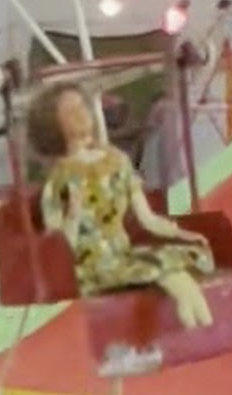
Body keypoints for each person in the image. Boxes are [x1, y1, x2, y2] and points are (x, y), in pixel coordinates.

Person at [30, 83, 215, 331]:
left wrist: (181, 233)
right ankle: (198, 330)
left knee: (182, 274)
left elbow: (148, 219)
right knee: (175, 279)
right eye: (70, 110)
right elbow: (59, 249)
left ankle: (204, 330)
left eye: (82, 105)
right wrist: (72, 217)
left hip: (123, 256)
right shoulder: (59, 180)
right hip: (90, 268)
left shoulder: (117, 161)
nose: (81, 112)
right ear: (53, 124)